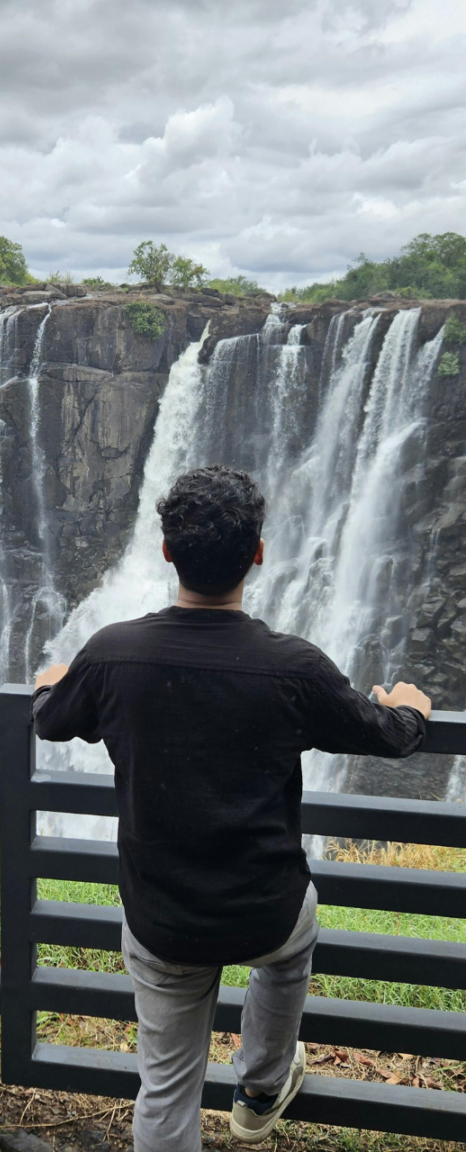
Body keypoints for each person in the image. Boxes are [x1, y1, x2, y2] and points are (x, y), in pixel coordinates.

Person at [32, 465, 431, 1151]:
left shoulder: (112, 655)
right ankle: (261, 1088)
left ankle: (232, 1097)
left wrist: (52, 684)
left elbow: (50, 718)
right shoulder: (296, 668)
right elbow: (389, 734)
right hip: (265, 910)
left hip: (164, 919)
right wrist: (410, 709)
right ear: (258, 553)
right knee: (292, 946)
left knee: (164, 1091)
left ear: (166, 551)